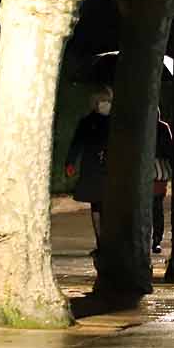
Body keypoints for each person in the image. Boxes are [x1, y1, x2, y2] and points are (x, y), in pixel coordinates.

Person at [64, 88, 112, 253]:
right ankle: (101, 242)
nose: (105, 105)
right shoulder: (87, 122)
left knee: (107, 206)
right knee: (97, 205)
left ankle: (107, 242)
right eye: (102, 101)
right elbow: (77, 143)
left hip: (110, 168)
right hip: (93, 169)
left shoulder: (115, 120)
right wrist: (70, 163)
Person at [151, 111, 174, 254]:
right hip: (160, 173)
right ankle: (156, 240)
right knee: (157, 208)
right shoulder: (163, 128)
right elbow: (169, 150)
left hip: (153, 173)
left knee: (152, 208)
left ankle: (154, 239)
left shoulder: (161, 128)